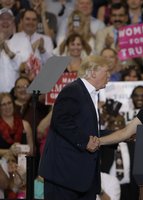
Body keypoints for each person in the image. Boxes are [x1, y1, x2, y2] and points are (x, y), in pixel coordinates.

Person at [39, 55, 110, 200]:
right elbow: (60, 120)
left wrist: (121, 135)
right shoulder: (73, 90)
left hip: (80, 178)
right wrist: (85, 141)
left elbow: (88, 131)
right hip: (63, 178)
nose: (109, 76)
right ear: (93, 72)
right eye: (106, 71)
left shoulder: (89, 94)